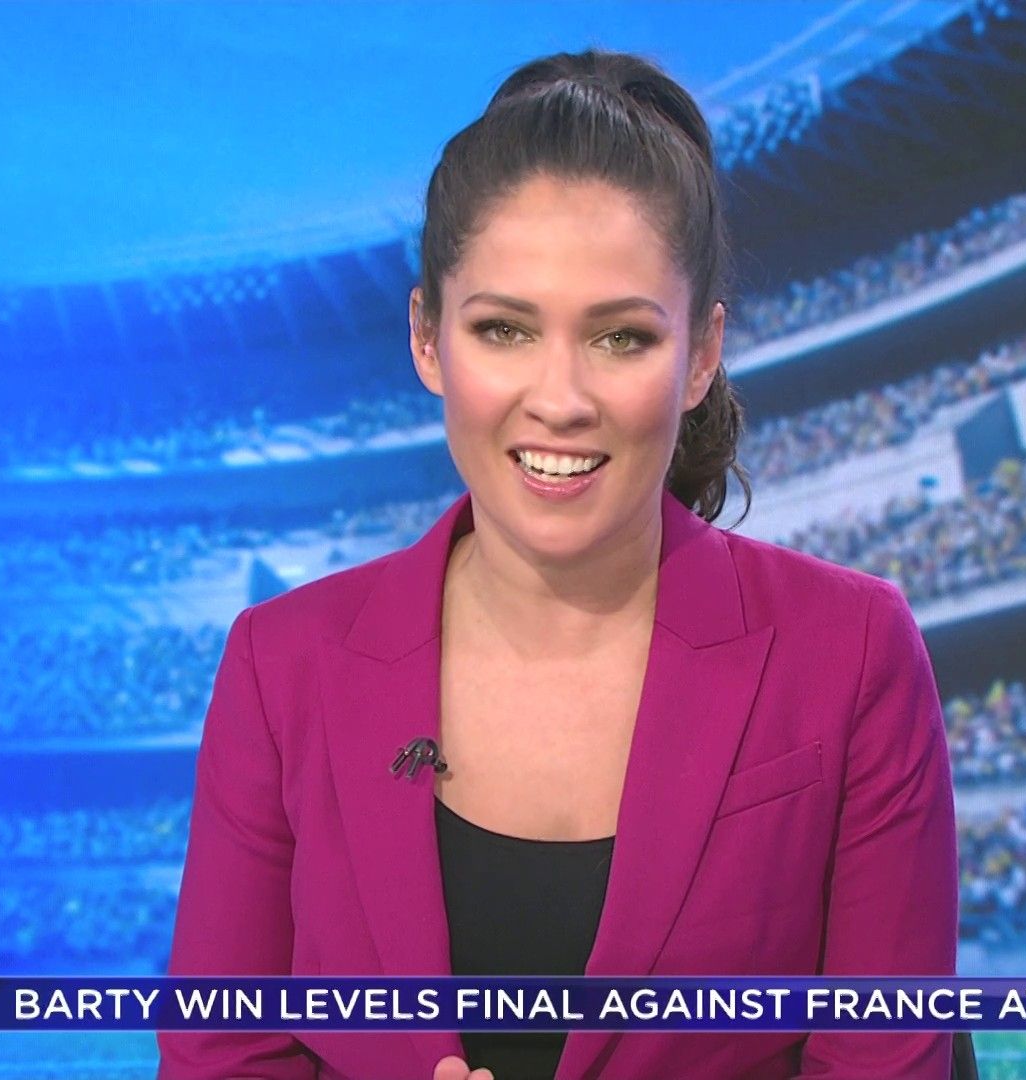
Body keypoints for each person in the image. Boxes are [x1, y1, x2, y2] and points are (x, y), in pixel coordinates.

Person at [159, 48, 958, 1080]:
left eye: (621, 338)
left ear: (701, 354)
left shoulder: (851, 650)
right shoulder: (280, 665)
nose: (560, 399)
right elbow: (223, 1054)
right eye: (503, 329)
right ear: (428, 340)